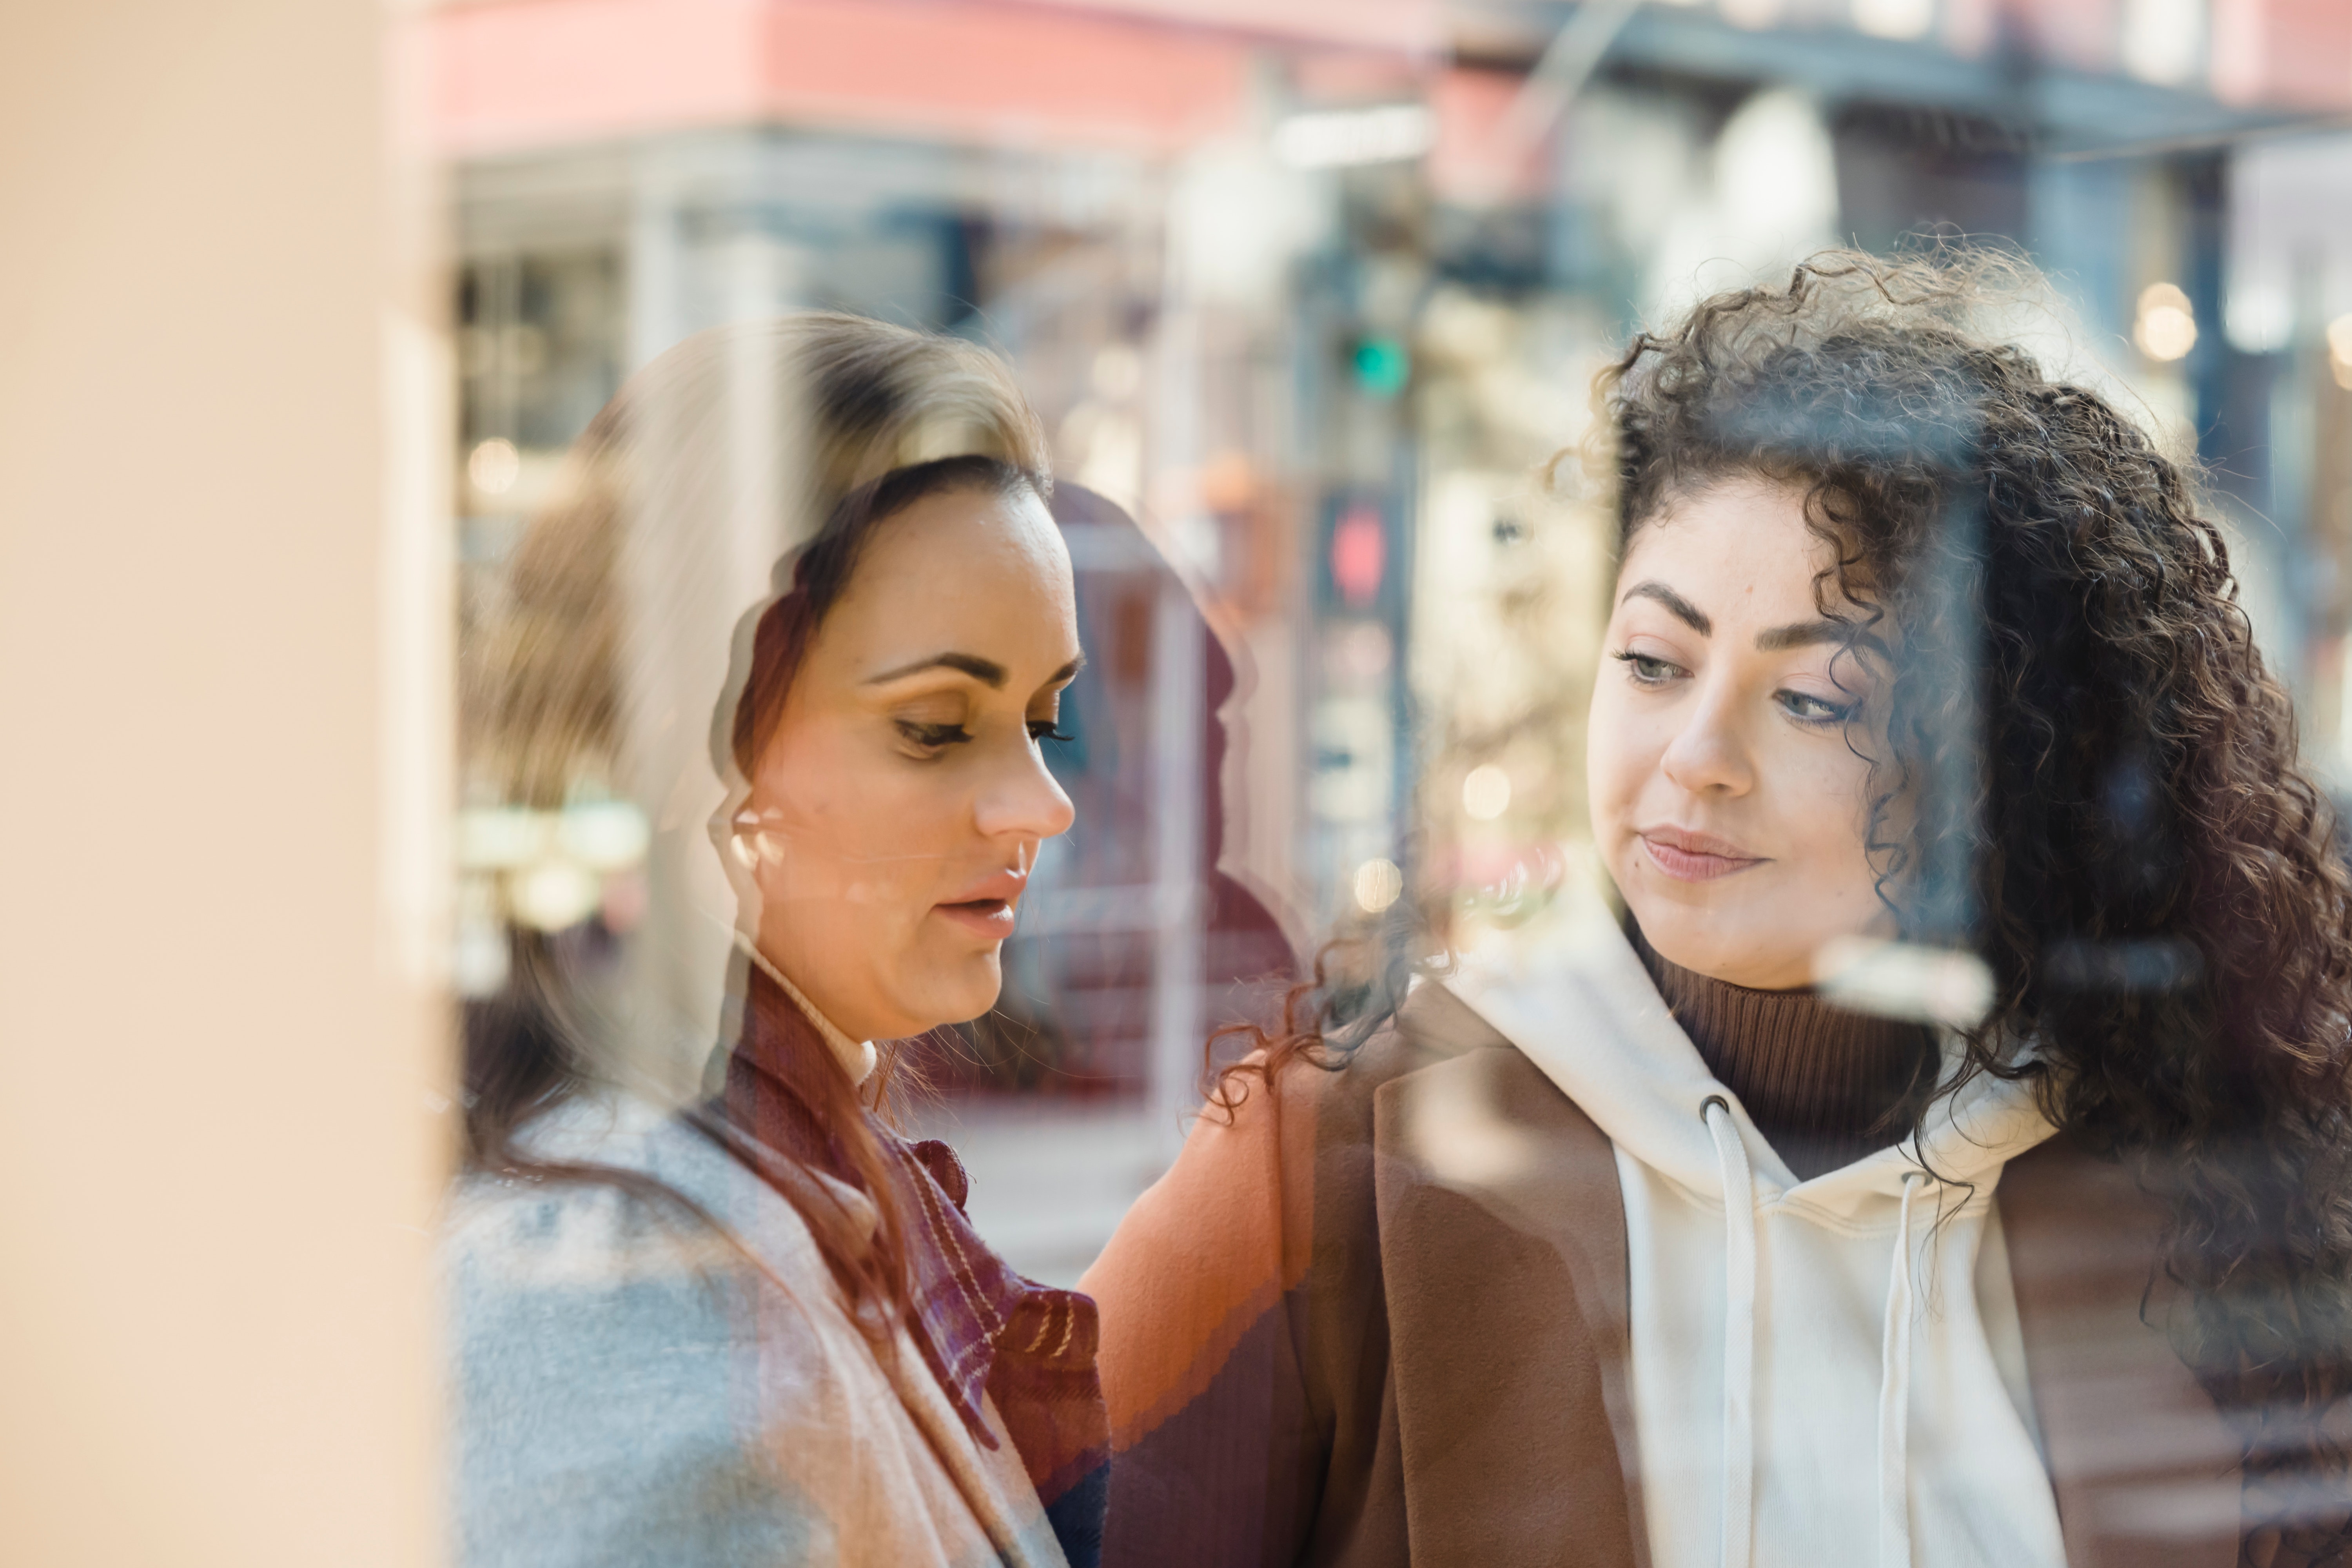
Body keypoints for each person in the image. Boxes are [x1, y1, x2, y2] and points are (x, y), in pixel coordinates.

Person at [1080, 252, 2352, 1568]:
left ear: (2008, 764)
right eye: (1651, 662)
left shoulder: (2159, 1173)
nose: (1695, 756)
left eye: (1816, 701)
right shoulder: (1332, 1165)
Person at [443, 313, 1108, 1567]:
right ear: (692, 747)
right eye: (933, 725)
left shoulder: (792, 1192)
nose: (1043, 803)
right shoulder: (620, 1284)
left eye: (1041, 720)